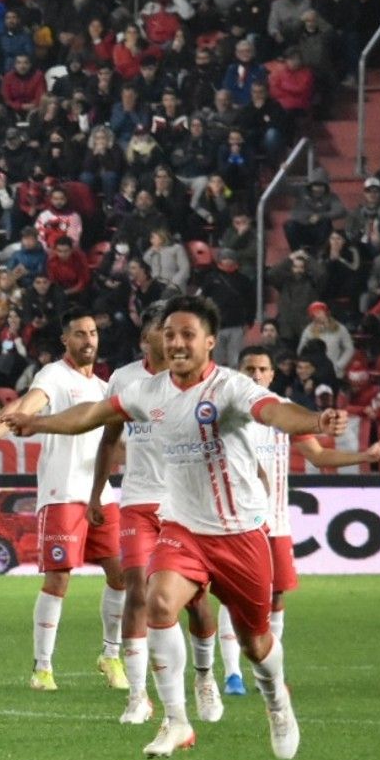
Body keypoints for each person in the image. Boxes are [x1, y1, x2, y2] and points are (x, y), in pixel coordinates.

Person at [3, 296, 350, 760]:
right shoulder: (150, 391)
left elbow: (274, 413)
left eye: (188, 334)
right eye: (170, 334)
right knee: (158, 602)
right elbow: (92, 415)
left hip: (239, 533)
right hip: (182, 527)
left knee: (256, 643)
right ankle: (176, 721)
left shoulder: (232, 388)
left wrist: (316, 421)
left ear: (209, 342)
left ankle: (276, 700)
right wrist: (37, 422)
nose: (177, 342)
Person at [0, 311, 127, 692]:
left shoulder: (106, 387)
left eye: (93, 332)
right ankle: (42, 668)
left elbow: (113, 442)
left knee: (120, 574)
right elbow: (22, 410)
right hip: (61, 493)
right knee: (58, 579)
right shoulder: (53, 377)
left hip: (100, 494)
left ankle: (111, 655)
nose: (88, 340)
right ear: (66, 340)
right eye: (80, 333)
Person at [210, 346, 380, 697]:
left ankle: (270, 674)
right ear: (238, 371)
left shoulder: (281, 412)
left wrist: (364, 456)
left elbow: (319, 454)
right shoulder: (228, 410)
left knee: (276, 597)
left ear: (273, 374)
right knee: (235, 598)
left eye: (263, 369)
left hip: (277, 523)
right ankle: (232, 674)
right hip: (237, 523)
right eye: (249, 369)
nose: (256, 375)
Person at [86, 302, 220, 725]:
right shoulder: (125, 381)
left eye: (176, 334)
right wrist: (96, 494)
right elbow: (108, 439)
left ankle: (204, 677)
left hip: (185, 503)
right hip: (138, 500)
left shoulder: (197, 380)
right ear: (148, 338)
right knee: (137, 591)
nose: (170, 340)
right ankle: (139, 696)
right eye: (161, 333)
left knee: (196, 600)